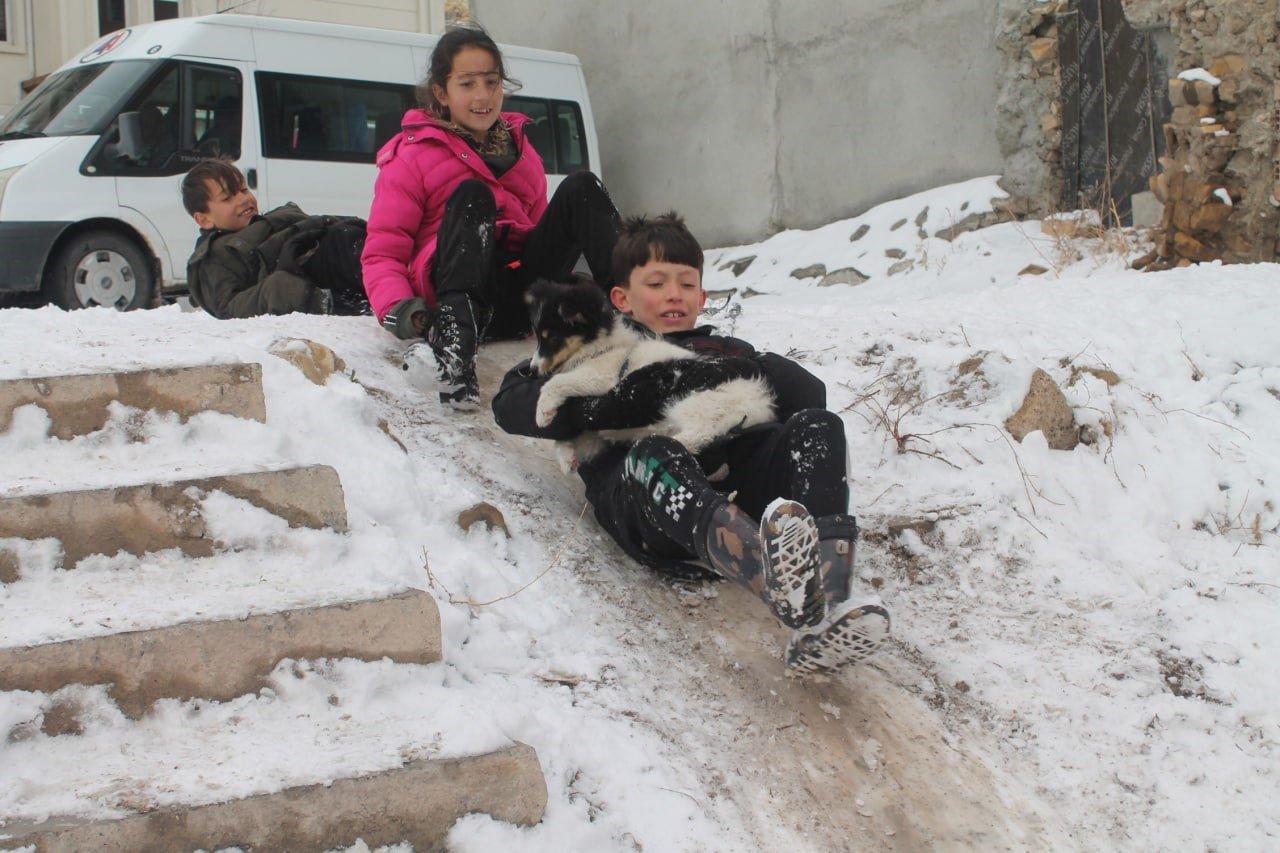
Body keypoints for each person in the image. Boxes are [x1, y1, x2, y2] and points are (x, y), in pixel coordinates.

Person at [492, 214, 890, 675]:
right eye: (657, 283)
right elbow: (511, 402)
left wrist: (743, 368)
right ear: (620, 298)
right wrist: (601, 410)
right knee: (655, 452)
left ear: (702, 297)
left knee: (819, 426)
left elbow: (809, 394)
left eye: (686, 283)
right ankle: (772, 575)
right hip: (649, 497)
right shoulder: (591, 345)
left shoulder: (726, 349)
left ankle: (827, 604)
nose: (674, 294)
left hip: (738, 480)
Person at [361, 23, 620, 409]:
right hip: (456, 300)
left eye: (492, 82)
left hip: (519, 296)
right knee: (471, 194)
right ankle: (454, 358)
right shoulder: (411, 156)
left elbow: (539, 231)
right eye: (467, 84)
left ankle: (636, 318)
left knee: (583, 186)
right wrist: (403, 311)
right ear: (441, 92)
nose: (483, 96)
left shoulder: (521, 152)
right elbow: (382, 252)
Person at [181, 159, 370, 319]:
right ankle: (385, 296)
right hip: (305, 279)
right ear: (204, 219)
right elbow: (227, 308)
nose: (242, 199)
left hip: (321, 251)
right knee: (345, 243)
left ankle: (387, 283)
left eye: (244, 190)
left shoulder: (265, 222)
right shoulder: (215, 257)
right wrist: (279, 289)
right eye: (227, 198)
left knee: (352, 235)